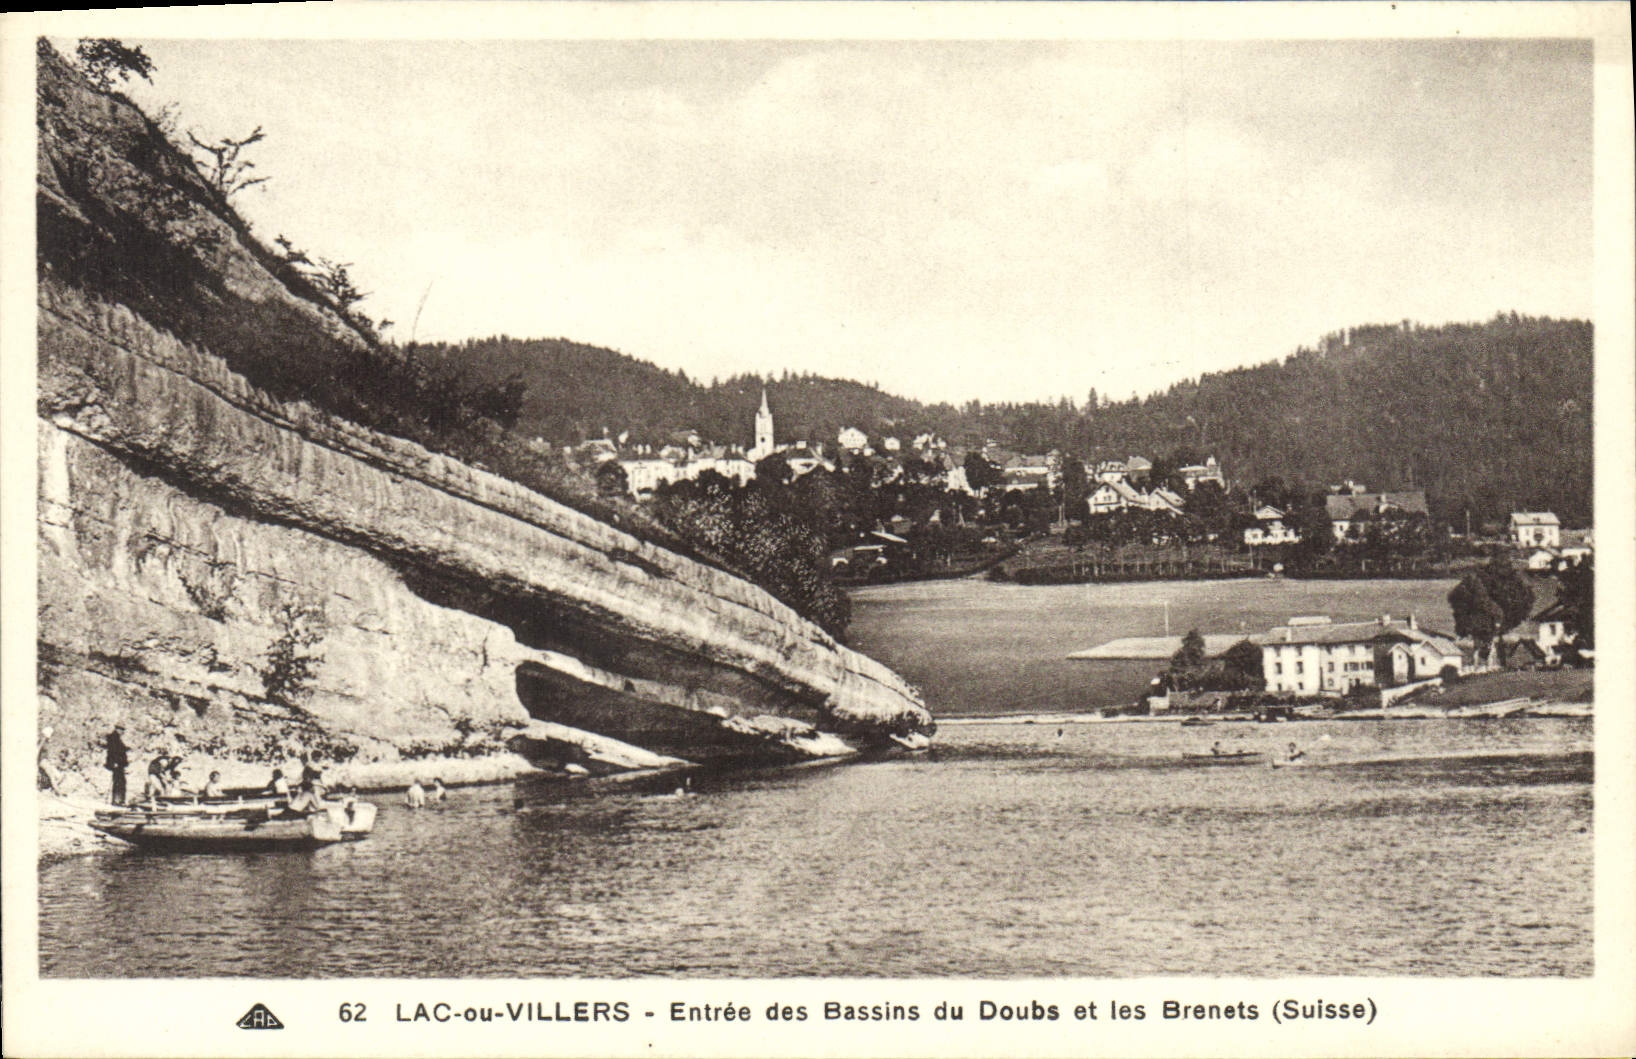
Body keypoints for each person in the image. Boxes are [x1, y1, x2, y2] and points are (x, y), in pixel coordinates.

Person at [105, 725, 130, 805]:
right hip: (117, 764)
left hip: (118, 764)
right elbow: (113, 751)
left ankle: (117, 800)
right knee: (119, 782)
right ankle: (117, 801)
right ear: (117, 729)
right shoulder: (114, 738)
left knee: (119, 781)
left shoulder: (115, 738)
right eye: (122, 730)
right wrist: (115, 762)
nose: (123, 732)